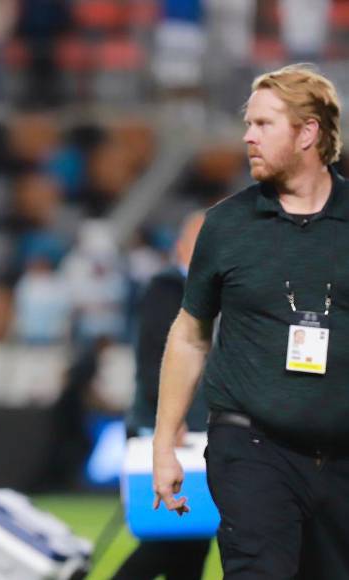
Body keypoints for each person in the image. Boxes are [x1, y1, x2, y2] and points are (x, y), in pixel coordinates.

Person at [153, 63, 349, 577]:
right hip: (252, 445)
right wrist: (163, 443)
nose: (247, 136)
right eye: (249, 123)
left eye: (264, 124)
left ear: (308, 132)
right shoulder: (225, 225)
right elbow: (191, 334)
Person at [114, 212, 211, 580]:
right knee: (167, 541)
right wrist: (170, 422)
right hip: (169, 430)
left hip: (192, 429)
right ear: (180, 246)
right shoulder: (166, 289)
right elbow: (154, 357)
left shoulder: (206, 290)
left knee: (192, 540)